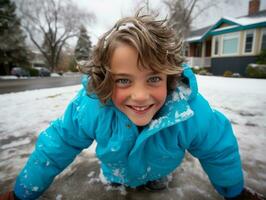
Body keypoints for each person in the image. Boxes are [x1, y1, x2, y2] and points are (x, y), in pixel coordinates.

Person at [0, 11, 265, 200]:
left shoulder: (189, 112)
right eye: (123, 80)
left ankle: (155, 178)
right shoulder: (93, 106)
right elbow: (58, 144)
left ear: (170, 77)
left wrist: (234, 191)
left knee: (158, 179)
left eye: (153, 78)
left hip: (161, 169)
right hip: (115, 171)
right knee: (115, 175)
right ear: (105, 80)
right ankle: (119, 176)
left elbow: (217, 149)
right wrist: (22, 193)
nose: (140, 96)